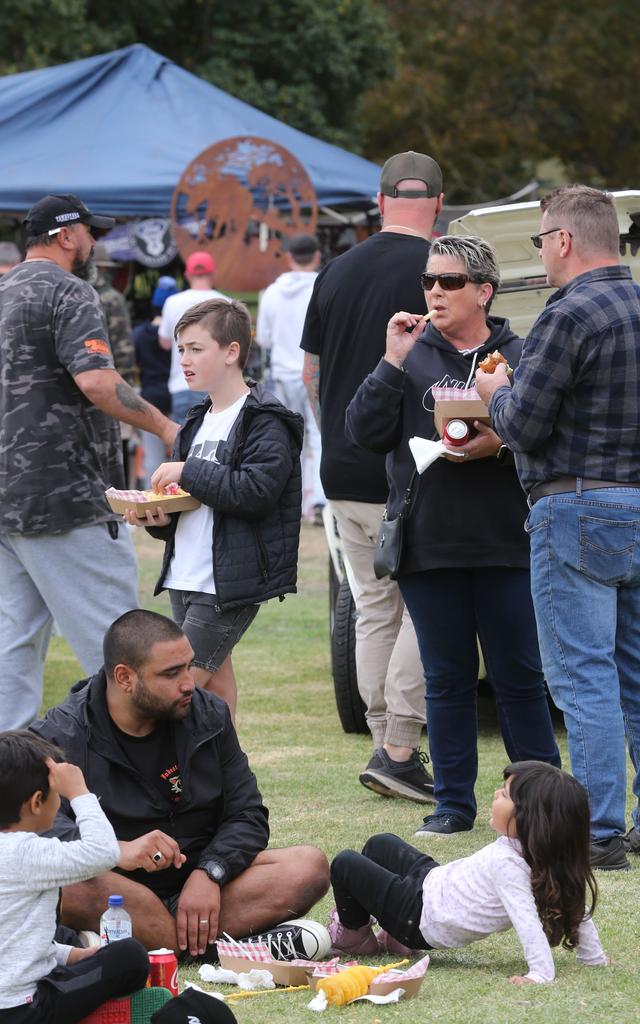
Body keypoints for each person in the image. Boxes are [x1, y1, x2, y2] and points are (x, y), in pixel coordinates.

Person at [347, 235, 560, 835]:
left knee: (520, 677)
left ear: (484, 292)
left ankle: (538, 804)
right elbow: (362, 430)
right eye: (428, 282)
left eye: (450, 283)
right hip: (430, 541)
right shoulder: (411, 353)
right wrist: (391, 359)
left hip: (507, 541)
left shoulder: (520, 352)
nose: (435, 293)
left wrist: (502, 437)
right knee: (445, 679)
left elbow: (546, 430)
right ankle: (453, 806)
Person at [0, 193, 178, 736]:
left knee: (16, 632)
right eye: (91, 233)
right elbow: (96, 381)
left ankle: (5, 760)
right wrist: (166, 428)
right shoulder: (71, 289)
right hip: (63, 494)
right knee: (112, 636)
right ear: (67, 235)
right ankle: (133, 757)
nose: (95, 243)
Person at [475, 185, 640, 871]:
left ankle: (600, 830)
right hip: (635, 503)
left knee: (584, 677)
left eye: (542, 239)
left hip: (574, 505)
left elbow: (524, 423)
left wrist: (494, 392)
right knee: (634, 673)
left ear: (565, 240)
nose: (541, 251)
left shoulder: (567, 313)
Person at [32, 609, 331, 961]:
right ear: (125, 677)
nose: (189, 682)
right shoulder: (60, 734)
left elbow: (248, 814)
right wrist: (118, 850)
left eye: (189, 666)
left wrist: (210, 873)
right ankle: (222, 948)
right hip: (115, 890)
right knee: (66, 887)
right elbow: (36, 835)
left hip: (204, 889)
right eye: (172, 673)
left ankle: (131, 945)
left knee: (308, 866)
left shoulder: (208, 714)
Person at [300, 151, 434, 802]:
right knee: (424, 608)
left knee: (373, 608)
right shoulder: (443, 269)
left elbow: (309, 376)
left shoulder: (334, 272)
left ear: (380, 202)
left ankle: (384, 738)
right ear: (438, 203)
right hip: (412, 466)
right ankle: (400, 743)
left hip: (342, 466)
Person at [127, 298, 303, 719]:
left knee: (167, 697)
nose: (183, 360)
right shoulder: (195, 419)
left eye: (195, 349)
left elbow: (254, 492)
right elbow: (194, 510)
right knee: (215, 696)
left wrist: (187, 470)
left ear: (231, 352)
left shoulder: (267, 419)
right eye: (181, 349)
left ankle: (174, 782)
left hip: (225, 586)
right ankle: (229, 784)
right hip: (184, 576)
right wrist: (156, 517)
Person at [328, 762, 609, 984]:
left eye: (505, 795)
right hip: (432, 884)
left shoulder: (508, 866)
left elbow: (528, 921)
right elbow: (577, 905)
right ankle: (394, 938)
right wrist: (594, 958)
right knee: (381, 843)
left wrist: (540, 973)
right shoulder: (533, 853)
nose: (496, 794)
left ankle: (356, 938)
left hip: (421, 917)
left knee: (345, 864)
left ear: (531, 819)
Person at [0, 730, 149, 1023]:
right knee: (130, 957)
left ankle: (75, 955)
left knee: (61, 935)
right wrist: (79, 792)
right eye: (58, 796)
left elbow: (11, 938)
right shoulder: (29, 852)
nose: (63, 802)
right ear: (37, 802)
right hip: (23, 1012)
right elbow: (104, 852)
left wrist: (73, 956)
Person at [257, 234, 325, 522]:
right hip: (316, 371)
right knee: (319, 436)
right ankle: (320, 501)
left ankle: (290, 502)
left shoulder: (272, 292)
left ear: (289, 257)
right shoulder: (323, 286)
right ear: (317, 256)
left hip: (283, 374)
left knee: (287, 439)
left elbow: (263, 338)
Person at [158, 252, 226, 423]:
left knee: (185, 446)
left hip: (182, 383)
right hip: (217, 385)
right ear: (213, 274)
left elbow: (165, 343)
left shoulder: (172, 302)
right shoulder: (226, 304)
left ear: (187, 275)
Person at [133, 275, 177, 483]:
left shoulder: (139, 335)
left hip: (150, 400)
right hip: (176, 396)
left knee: (152, 458)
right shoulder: (179, 336)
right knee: (180, 458)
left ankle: (150, 504)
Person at [91, 243, 135, 383]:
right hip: (107, 380)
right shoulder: (112, 298)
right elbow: (123, 346)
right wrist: (126, 384)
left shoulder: (70, 293)